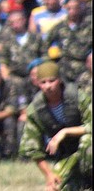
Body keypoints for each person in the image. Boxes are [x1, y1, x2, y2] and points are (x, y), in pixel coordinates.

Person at [19, 61, 92, 190]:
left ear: (59, 80)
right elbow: (32, 148)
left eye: (52, 81)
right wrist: (49, 175)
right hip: (68, 154)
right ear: (37, 83)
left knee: (88, 141)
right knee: (56, 187)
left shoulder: (78, 97)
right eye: (43, 82)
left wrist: (65, 132)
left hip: (88, 146)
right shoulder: (35, 110)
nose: (48, 86)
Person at [47, 0, 93, 81]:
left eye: (76, 7)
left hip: (85, 70)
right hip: (65, 71)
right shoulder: (59, 27)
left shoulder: (88, 26)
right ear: (65, 8)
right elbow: (45, 44)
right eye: (69, 8)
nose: (73, 11)